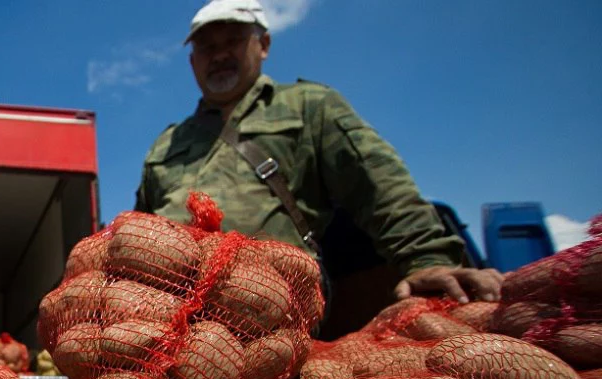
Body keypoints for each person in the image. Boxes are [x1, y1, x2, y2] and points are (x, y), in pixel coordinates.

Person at [134, 0, 503, 311]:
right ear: (192, 61)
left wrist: (427, 261)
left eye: (233, 41)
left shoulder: (308, 105)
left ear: (263, 45)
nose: (219, 55)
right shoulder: (166, 142)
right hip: (167, 304)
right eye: (206, 48)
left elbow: (377, 183)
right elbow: (139, 228)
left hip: (273, 300)